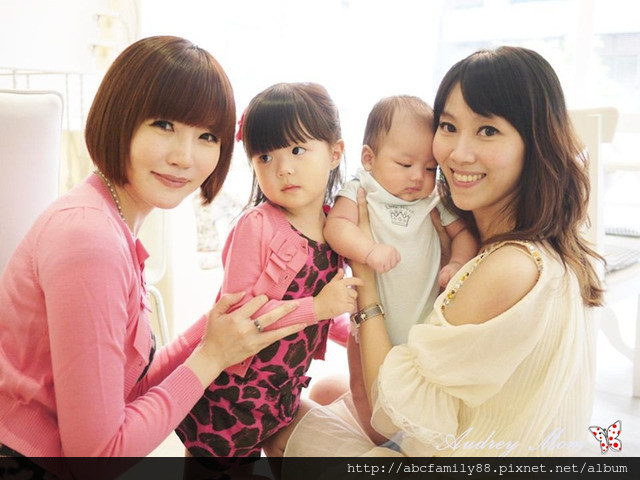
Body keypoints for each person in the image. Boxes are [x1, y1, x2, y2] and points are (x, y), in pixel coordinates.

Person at [0, 36, 306, 478]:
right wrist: (210, 358)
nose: (184, 157)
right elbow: (97, 458)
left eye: (207, 136)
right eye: (164, 125)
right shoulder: (90, 240)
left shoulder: (108, 221)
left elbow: (128, 389)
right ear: (119, 117)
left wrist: (215, 327)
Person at [282, 46, 604, 462]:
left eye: (488, 131)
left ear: (534, 142)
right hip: (476, 426)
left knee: (281, 426)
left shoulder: (508, 267)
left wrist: (365, 274)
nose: (457, 153)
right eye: (449, 126)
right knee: (328, 389)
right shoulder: (547, 242)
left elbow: (389, 415)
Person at [175, 82, 362, 476]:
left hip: (279, 395)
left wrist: (359, 330)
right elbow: (237, 316)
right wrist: (319, 307)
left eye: (297, 150)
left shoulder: (337, 231)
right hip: (231, 394)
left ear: (334, 153)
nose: (283, 168)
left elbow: (326, 314)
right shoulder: (256, 225)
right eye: (265, 156)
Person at [325, 95, 478, 346]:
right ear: (369, 159)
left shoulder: (434, 198)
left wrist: (457, 263)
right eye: (405, 164)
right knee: (361, 366)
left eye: (430, 168)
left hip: (424, 321)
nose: (418, 176)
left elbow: (463, 234)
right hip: (370, 319)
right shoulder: (362, 187)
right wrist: (368, 250)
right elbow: (336, 226)